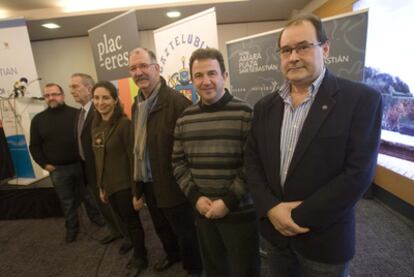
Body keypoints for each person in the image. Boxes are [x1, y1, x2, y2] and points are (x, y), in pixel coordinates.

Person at [244, 14, 383, 276]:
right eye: (286, 50)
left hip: (324, 239)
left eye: (303, 47)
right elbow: (252, 162)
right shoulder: (264, 107)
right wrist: (272, 209)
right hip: (272, 236)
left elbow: (358, 174)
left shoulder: (362, 100)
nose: (293, 56)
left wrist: (296, 217)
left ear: (325, 49)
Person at [172, 48, 260, 277]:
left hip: (240, 213)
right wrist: (196, 198)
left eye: (212, 73)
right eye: (199, 76)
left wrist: (228, 201)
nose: (206, 81)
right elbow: (178, 163)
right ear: (192, 80)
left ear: (225, 76)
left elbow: (253, 165)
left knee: (245, 270)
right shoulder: (185, 118)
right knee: (214, 270)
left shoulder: (246, 113)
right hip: (203, 212)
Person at [129, 47, 202, 276]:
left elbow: (191, 150)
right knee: (160, 226)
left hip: (173, 183)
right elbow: (137, 148)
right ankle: (172, 256)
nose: (138, 72)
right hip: (149, 181)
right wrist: (137, 188)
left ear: (157, 68)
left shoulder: (177, 103)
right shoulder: (136, 104)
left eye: (143, 66)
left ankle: (194, 268)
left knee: (185, 231)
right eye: (133, 68)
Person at [29, 83, 103, 243]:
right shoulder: (38, 120)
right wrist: (44, 164)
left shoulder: (77, 114)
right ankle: (72, 228)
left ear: (62, 95)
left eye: (54, 94)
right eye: (47, 96)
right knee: (67, 202)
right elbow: (34, 146)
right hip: (57, 169)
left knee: (89, 196)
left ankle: (97, 219)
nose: (51, 98)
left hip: (80, 165)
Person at [69, 73, 132, 254]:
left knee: (117, 208)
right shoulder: (80, 113)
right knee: (103, 206)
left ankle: (128, 237)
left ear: (88, 88)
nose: (71, 91)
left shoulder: (101, 114)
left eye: (75, 86)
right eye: (70, 87)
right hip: (88, 168)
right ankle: (115, 231)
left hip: (106, 169)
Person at [91, 81, 147, 277]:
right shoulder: (96, 126)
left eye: (106, 97)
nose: (101, 102)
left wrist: (136, 192)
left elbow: (134, 160)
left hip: (125, 186)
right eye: (96, 98)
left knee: (133, 223)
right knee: (122, 221)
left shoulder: (124, 125)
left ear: (115, 100)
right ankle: (132, 244)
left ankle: (141, 257)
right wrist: (100, 187)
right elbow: (99, 161)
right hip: (109, 186)